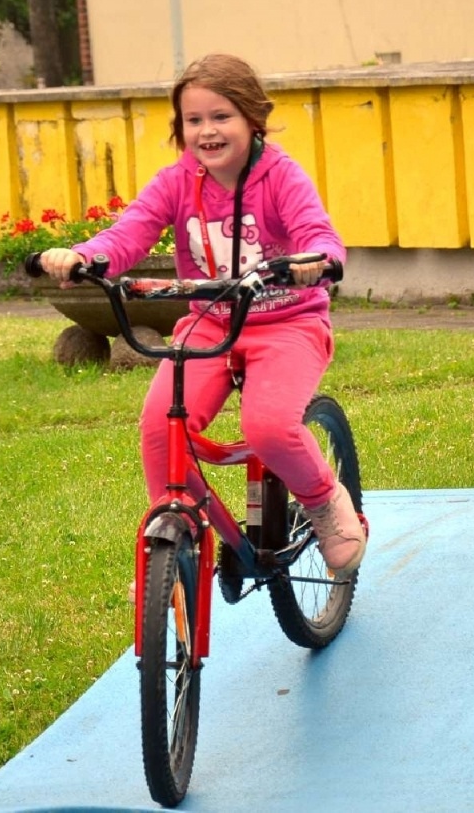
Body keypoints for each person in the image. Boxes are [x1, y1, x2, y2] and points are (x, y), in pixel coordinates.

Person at [37, 53, 364, 577]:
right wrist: (85, 257)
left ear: (252, 119)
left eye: (221, 117)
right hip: (209, 323)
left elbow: (318, 234)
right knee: (159, 427)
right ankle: (174, 538)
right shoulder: (176, 182)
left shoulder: (280, 177)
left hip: (287, 324)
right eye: (194, 120)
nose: (207, 131)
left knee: (270, 428)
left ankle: (325, 502)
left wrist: (315, 261)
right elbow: (130, 233)